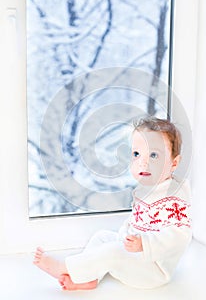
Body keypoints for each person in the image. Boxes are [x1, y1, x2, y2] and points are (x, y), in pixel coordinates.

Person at [34, 116, 192, 290]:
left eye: (154, 155)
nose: (143, 162)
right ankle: (88, 278)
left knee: (113, 252)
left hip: (153, 269)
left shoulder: (174, 196)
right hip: (137, 255)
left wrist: (144, 243)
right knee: (102, 237)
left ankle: (66, 267)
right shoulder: (149, 188)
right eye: (136, 154)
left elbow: (180, 235)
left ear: (174, 163)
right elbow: (138, 220)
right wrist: (125, 235)